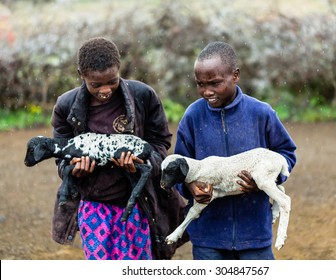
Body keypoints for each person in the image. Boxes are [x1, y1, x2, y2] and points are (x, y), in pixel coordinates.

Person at [50, 37, 185, 260]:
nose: (105, 90)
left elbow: (161, 143)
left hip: (139, 205)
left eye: (111, 81)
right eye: (96, 85)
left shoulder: (143, 96)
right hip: (94, 208)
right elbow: (61, 158)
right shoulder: (66, 106)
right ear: (80, 74)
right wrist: (74, 170)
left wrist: (144, 163)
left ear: (119, 68)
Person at [174, 41, 297, 260]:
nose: (207, 91)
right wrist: (190, 187)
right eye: (200, 84)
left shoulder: (261, 114)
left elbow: (286, 153)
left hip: (254, 234)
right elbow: (179, 168)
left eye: (214, 83)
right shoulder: (193, 117)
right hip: (208, 235)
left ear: (235, 75)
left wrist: (265, 180)